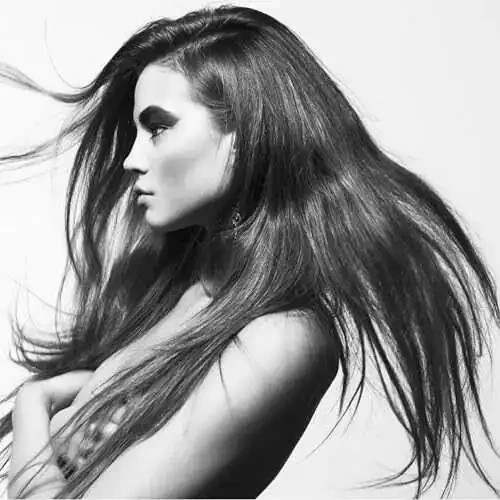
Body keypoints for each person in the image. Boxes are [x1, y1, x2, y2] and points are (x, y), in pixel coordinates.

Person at [0, 4, 499, 498]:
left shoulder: (282, 337)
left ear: (246, 131)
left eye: (158, 128)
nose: (132, 159)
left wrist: (33, 406)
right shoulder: (189, 288)